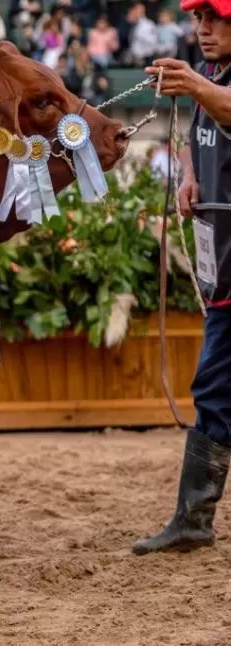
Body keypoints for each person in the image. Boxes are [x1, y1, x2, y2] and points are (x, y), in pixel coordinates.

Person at [132, 0, 231, 556]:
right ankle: (193, 520)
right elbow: (202, 136)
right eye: (198, 18)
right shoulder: (213, 78)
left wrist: (194, 84)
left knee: (216, 389)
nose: (203, 28)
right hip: (224, 268)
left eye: (215, 17)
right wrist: (191, 178)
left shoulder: (210, 83)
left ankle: (194, 521)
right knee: (215, 391)